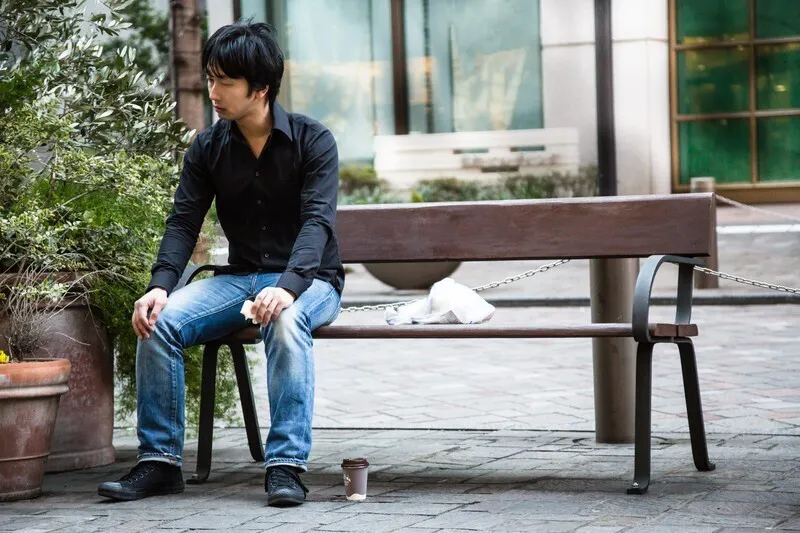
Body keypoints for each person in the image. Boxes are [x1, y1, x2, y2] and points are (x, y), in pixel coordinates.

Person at [97, 21, 344, 507]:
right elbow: (183, 223)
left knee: (286, 319)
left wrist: (288, 287)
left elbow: (317, 223)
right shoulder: (208, 147)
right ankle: (160, 462)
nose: (213, 92)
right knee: (159, 320)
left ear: (261, 88)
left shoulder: (313, 141)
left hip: (309, 282)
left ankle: (286, 466)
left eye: (225, 81)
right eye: (210, 78)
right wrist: (159, 286)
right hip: (241, 279)